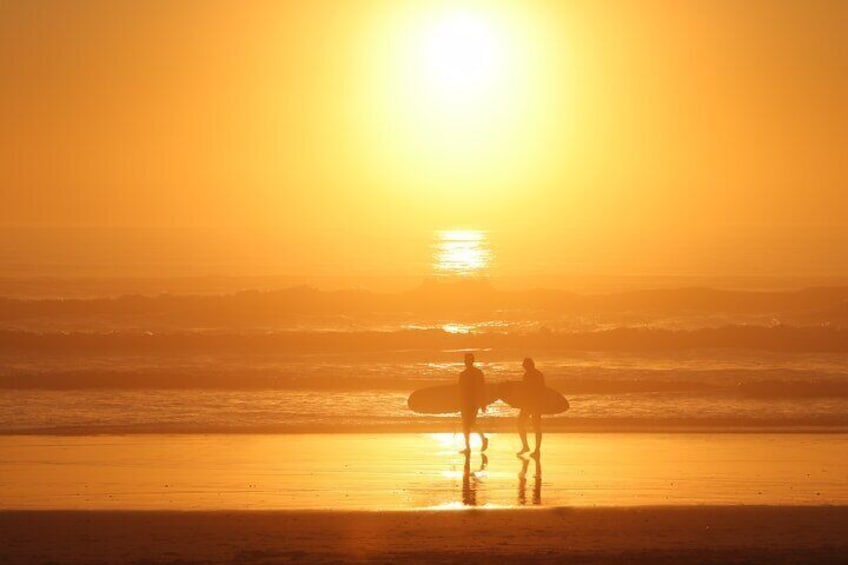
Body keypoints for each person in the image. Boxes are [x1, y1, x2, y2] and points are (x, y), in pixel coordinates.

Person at [458, 352, 488, 454]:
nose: (467, 362)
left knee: (470, 424)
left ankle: (483, 439)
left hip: (474, 403)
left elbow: (482, 388)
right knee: (465, 425)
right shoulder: (462, 374)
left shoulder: (478, 373)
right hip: (465, 402)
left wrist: (483, 403)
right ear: (465, 362)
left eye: (469, 360)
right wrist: (458, 403)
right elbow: (460, 390)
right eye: (466, 360)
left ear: (472, 361)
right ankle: (468, 447)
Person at [517, 357, 544, 458]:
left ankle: (536, 450)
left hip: (534, 404)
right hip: (530, 404)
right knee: (520, 424)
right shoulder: (531, 374)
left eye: (524, 365)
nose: (523, 367)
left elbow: (540, 390)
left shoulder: (534, 375)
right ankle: (527, 446)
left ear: (529, 365)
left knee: (535, 427)